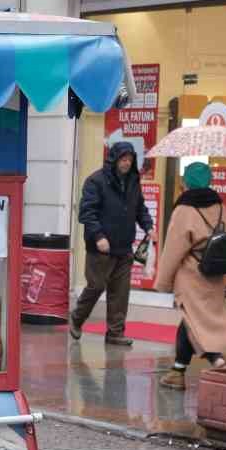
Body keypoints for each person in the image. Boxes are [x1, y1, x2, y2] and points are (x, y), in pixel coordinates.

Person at [155, 162, 226, 389]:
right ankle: (177, 371)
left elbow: (173, 248)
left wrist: (163, 282)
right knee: (193, 319)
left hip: (191, 274)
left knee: (193, 320)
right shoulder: (219, 205)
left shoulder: (184, 209)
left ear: (186, 182)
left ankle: (216, 359)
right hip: (214, 273)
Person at [71, 143, 152, 346]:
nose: (126, 163)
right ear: (114, 159)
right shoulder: (96, 181)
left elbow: (140, 207)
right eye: (123, 159)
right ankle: (77, 318)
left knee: (120, 292)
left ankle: (115, 332)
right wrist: (98, 236)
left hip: (124, 246)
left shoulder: (134, 181)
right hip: (101, 248)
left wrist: (149, 226)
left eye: (130, 160)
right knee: (96, 286)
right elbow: (87, 213)